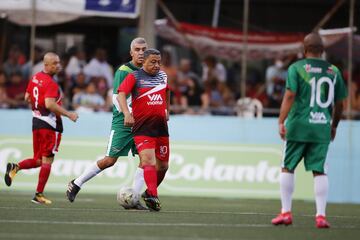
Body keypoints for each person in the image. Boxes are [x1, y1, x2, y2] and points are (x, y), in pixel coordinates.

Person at [271, 33, 347, 228]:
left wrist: (281, 120)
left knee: (288, 167)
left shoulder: (297, 68)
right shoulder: (334, 71)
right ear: (322, 51)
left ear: (304, 50)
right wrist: (334, 125)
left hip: (298, 126)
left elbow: (290, 96)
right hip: (322, 127)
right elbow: (340, 104)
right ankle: (321, 216)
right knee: (319, 171)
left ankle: (286, 212)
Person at [66, 38, 148, 210]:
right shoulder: (124, 71)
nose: (141, 53)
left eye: (144, 49)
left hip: (142, 123)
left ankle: (134, 197)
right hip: (124, 122)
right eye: (138, 49)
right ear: (131, 52)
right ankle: (76, 183)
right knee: (110, 160)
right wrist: (128, 114)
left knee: (146, 159)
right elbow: (117, 97)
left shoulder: (149, 71)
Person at [4, 52, 79, 204]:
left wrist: (37, 105)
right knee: (47, 161)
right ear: (46, 65)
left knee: (38, 160)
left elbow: (26, 97)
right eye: (54, 63)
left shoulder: (35, 77)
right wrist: (69, 114)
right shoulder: (51, 83)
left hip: (36, 121)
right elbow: (49, 104)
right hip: (50, 124)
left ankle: (15, 167)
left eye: (58, 63)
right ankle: (39, 194)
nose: (58, 65)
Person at [117, 49, 170, 211]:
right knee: (148, 161)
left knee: (163, 166)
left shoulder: (163, 76)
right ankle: (153, 195)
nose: (157, 65)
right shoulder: (135, 76)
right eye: (153, 62)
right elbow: (121, 94)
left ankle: (148, 193)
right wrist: (127, 113)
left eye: (159, 62)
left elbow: (167, 92)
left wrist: (167, 110)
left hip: (161, 126)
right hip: (142, 127)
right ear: (144, 62)